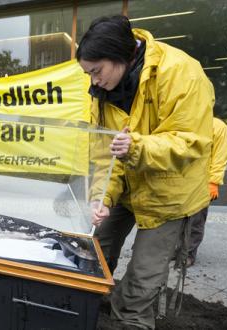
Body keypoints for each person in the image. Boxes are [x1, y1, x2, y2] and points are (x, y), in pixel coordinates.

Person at [77, 16, 214, 329]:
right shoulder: (99, 93)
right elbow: (103, 152)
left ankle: (131, 319)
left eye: (96, 71)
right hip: (125, 183)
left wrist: (136, 147)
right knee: (94, 250)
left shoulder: (181, 72)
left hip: (169, 193)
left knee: (144, 273)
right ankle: (86, 304)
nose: (94, 81)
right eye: (88, 74)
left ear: (120, 56)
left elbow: (192, 143)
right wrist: (102, 198)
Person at [187, 117, 227, 266]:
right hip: (183, 181)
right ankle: (177, 250)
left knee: (196, 221)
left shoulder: (218, 127)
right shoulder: (188, 121)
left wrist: (213, 182)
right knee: (177, 220)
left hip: (203, 183)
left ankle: (188, 254)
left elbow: (220, 157)